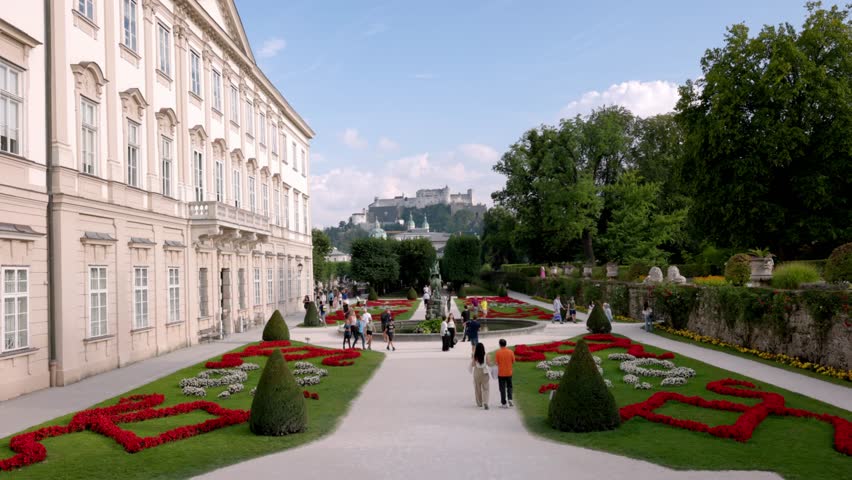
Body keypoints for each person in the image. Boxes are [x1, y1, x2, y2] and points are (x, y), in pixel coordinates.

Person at [470, 342, 491, 410]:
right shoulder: (487, 355)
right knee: (486, 388)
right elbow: (489, 364)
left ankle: (479, 403)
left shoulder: (475, 355)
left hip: (477, 371)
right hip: (484, 372)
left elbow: (473, 365)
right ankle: (485, 402)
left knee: (477, 388)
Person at [495, 339, 515, 408]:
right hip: (509, 372)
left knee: (502, 388)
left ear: (500, 344)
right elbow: (513, 361)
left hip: (501, 373)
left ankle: (504, 403)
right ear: (505, 344)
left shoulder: (498, 352)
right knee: (509, 386)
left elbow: (496, 363)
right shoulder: (510, 352)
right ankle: (510, 399)